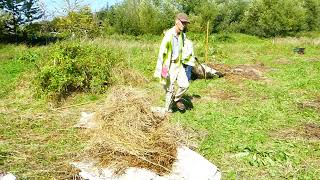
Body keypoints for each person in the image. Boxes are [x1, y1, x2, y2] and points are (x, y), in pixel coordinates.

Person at [154, 13, 190, 112]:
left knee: (185, 85)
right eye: (182, 22)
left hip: (179, 64)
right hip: (169, 65)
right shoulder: (169, 35)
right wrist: (164, 71)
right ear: (176, 21)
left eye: (185, 23)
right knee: (169, 88)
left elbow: (182, 49)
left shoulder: (183, 35)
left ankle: (176, 99)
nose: (184, 25)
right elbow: (162, 54)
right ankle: (167, 110)